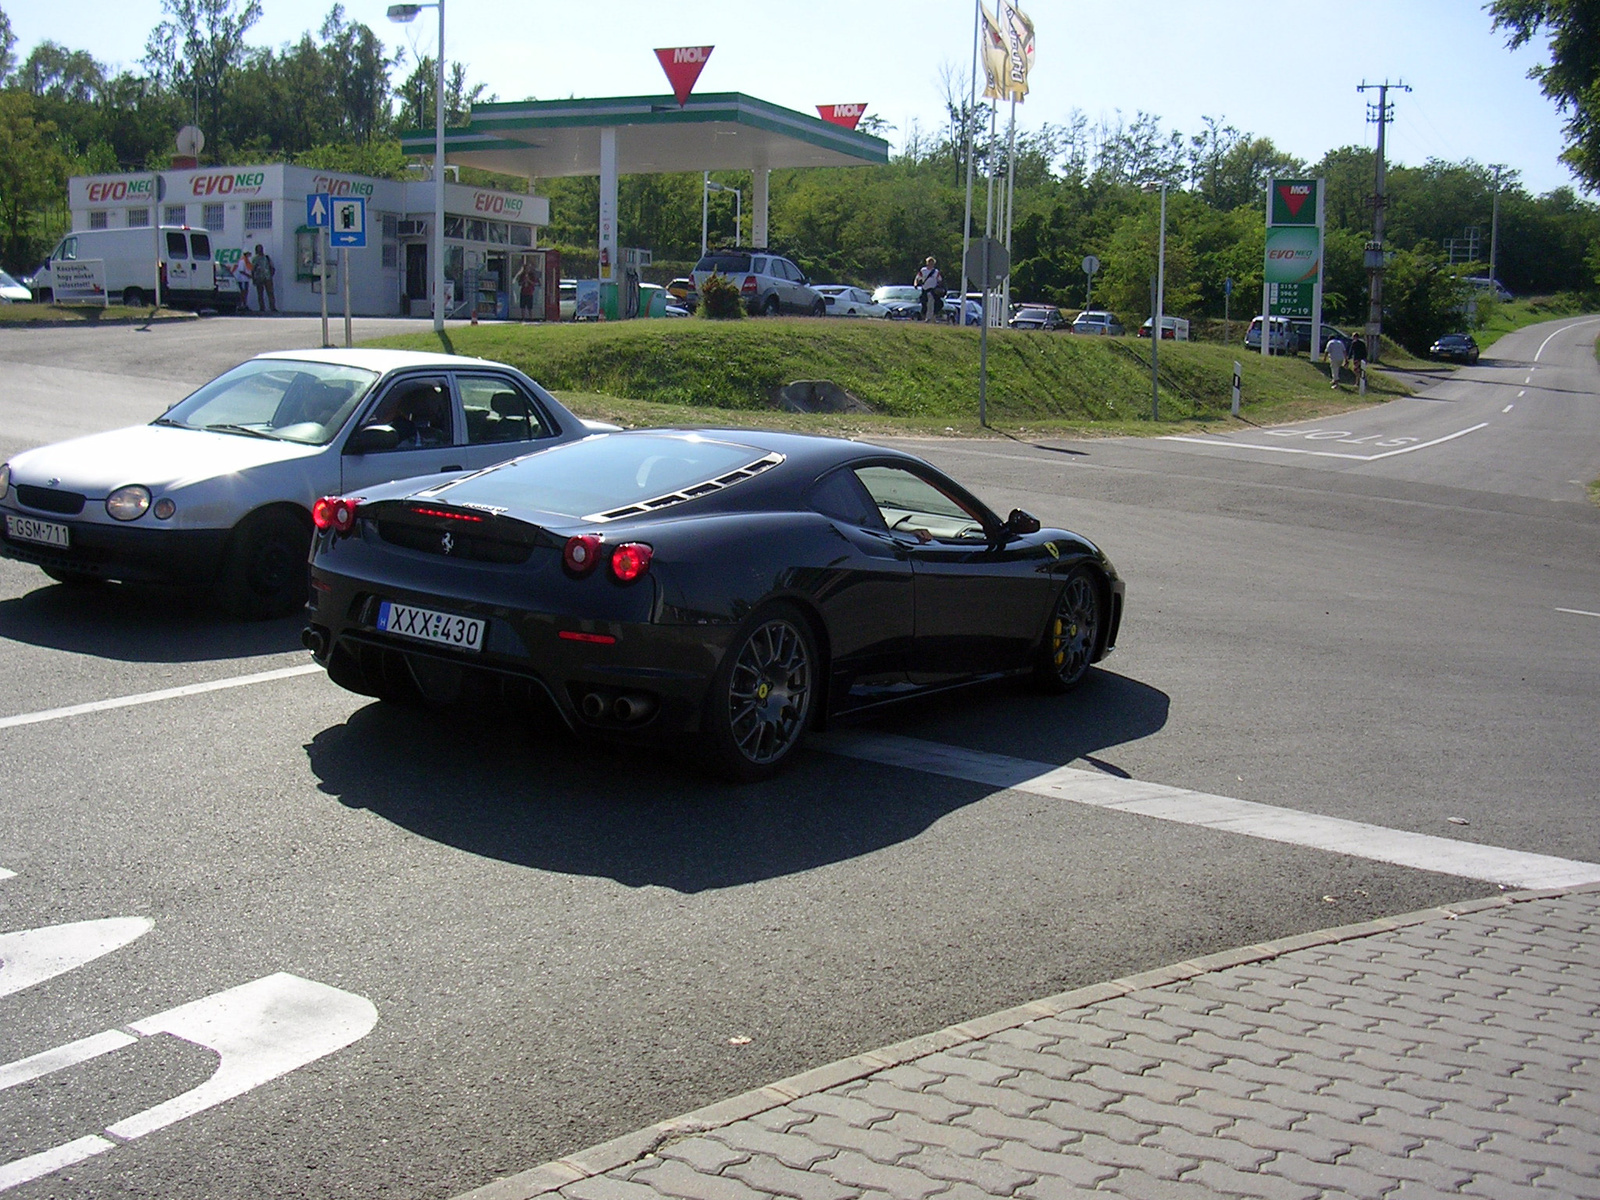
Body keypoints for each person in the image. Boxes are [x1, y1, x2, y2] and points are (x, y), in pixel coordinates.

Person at [914, 256, 943, 322]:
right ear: (927, 263)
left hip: (933, 290)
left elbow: (940, 280)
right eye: (929, 262)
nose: (930, 264)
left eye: (932, 263)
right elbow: (917, 278)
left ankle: (930, 317)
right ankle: (927, 317)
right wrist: (915, 284)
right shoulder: (923, 270)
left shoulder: (936, 272)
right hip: (925, 289)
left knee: (932, 303)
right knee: (925, 304)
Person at [251, 243, 277, 314]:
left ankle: (272, 307)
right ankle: (262, 307)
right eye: (259, 249)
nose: (260, 251)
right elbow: (252, 270)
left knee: (270, 293)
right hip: (259, 278)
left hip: (268, 278)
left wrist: (271, 275)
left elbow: (272, 267)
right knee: (260, 294)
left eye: (261, 249)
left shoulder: (267, 258)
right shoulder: (255, 259)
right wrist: (253, 279)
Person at [514, 257, 538, 321]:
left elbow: (535, 283)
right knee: (523, 306)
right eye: (526, 268)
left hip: (530, 292)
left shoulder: (532, 275)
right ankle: (523, 318)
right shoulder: (522, 275)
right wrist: (524, 281)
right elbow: (519, 283)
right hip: (523, 292)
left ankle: (531, 318)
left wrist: (528, 280)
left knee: (530, 307)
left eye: (528, 268)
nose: (527, 269)